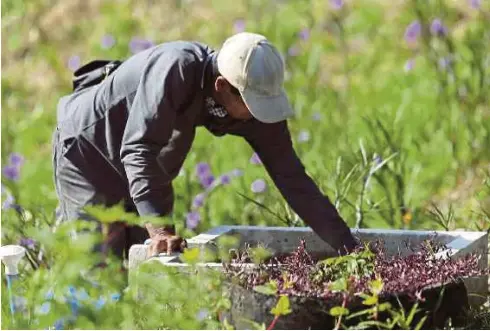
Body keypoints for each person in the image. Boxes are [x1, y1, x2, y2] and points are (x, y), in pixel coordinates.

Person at [52, 32, 358, 262]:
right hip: (86, 152)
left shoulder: (253, 108)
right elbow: (139, 149)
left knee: (136, 267)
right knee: (94, 265)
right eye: (253, 105)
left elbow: (293, 178)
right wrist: (160, 229)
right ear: (222, 87)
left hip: (139, 168)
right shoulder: (176, 70)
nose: (258, 116)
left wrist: (348, 247)